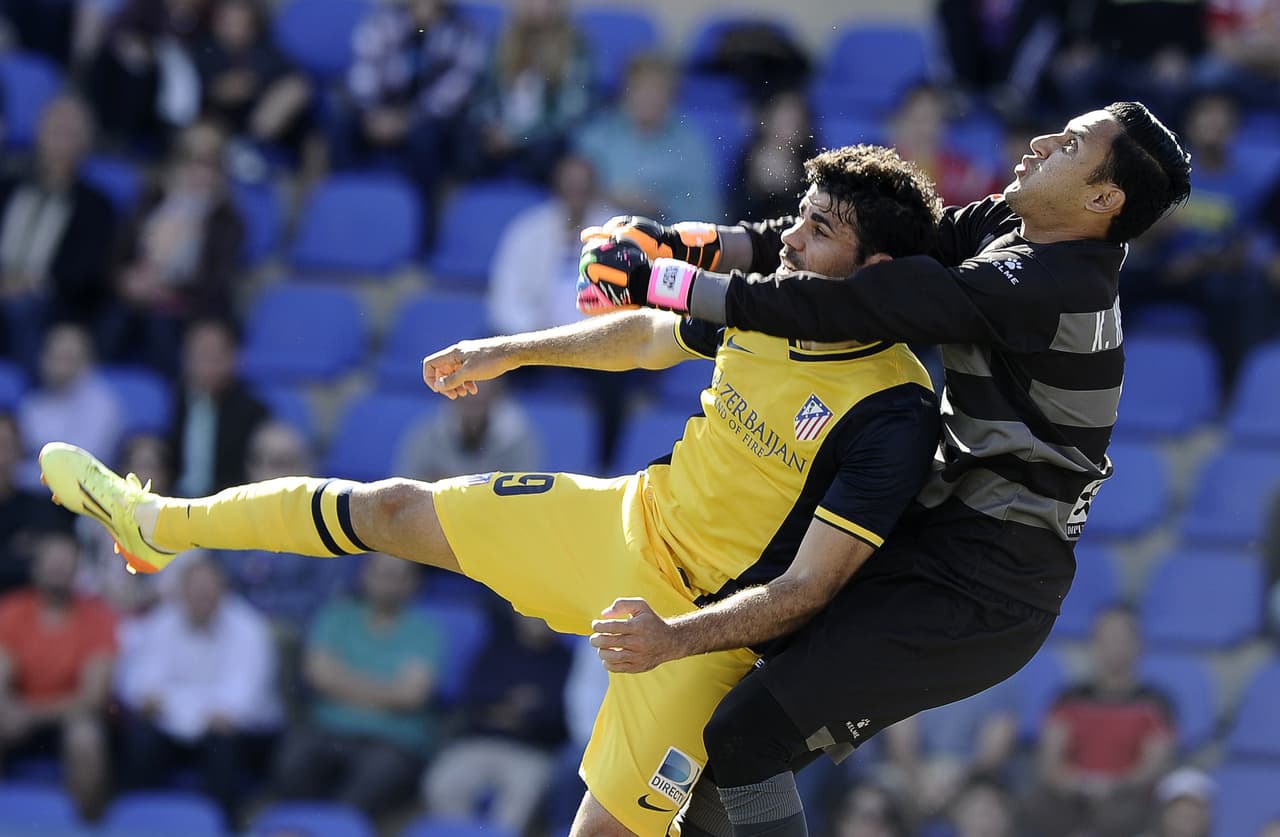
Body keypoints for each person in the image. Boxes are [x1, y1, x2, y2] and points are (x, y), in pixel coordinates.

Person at [39, 144, 946, 837]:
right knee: (394, 507)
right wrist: (509, 350)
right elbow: (641, 337)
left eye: (819, 229)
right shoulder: (769, 300)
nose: (788, 236)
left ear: (872, 272)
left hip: (697, 634)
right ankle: (158, 520)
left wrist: (670, 636)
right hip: (622, 520)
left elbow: (808, 591)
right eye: (798, 215)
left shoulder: (894, 407)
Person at [576, 100, 1192, 836]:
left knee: (745, 735)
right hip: (942, 541)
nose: (1039, 142)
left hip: (984, 590)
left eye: (1069, 145)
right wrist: (688, 241)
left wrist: (664, 279)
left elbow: (851, 303)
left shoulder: (1053, 288)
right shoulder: (1014, 228)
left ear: (1103, 197)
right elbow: (861, 244)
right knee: (731, 730)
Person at [271, 553, 444, 818]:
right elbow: (318, 676)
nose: (390, 584)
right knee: (292, 760)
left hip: (393, 739)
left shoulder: (426, 630)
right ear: (365, 576)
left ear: (413, 583)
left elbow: (412, 696)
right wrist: (386, 690)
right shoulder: (336, 615)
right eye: (383, 574)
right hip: (327, 727)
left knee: (374, 779)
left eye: (399, 576)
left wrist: (343, 683)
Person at [117, 553, 280, 825]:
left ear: (223, 591)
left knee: (223, 745)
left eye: (209, 589)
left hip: (231, 734)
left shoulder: (249, 628)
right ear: (181, 591)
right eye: (194, 589)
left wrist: (173, 705)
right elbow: (141, 683)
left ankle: (223, 825)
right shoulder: (162, 622)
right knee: (141, 739)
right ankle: (141, 824)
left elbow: (239, 702)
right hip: (176, 726)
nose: (201, 596)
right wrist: (172, 707)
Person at [1022, 606, 1175, 837]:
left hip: (1127, 798)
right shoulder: (1068, 698)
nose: (1113, 646)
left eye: (1121, 638)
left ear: (1137, 645)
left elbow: (1153, 765)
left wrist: (1112, 785)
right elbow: (1050, 759)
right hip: (1072, 795)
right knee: (1031, 805)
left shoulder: (1155, 702)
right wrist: (1079, 783)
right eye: (1105, 638)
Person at [423, 604, 573, 833]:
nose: (537, 620)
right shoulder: (494, 650)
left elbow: (558, 714)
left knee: (520, 796)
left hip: (531, 751)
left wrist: (502, 709)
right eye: (531, 613)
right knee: (442, 785)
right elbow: (473, 696)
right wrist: (521, 710)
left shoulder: (565, 662)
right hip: (479, 743)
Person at [0, 531, 115, 819]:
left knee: (86, 739)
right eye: (52, 561)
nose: (58, 569)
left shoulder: (97, 617)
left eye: (67, 563)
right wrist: (9, 711)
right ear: (36, 566)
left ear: (78, 570)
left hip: (70, 717)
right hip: (17, 714)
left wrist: (29, 714)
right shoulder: (12, 610)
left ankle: (86, 825)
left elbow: (92, 698)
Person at [0, 95, 117, 373]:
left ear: (85, 143)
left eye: (69, 132)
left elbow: (87, 272)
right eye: (54, 129)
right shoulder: (7, 188)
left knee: (23, 309)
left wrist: (30, 284)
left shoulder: (96, 206)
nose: (59, 139)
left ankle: (32, 398)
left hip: (48, 301)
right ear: (38, 133)